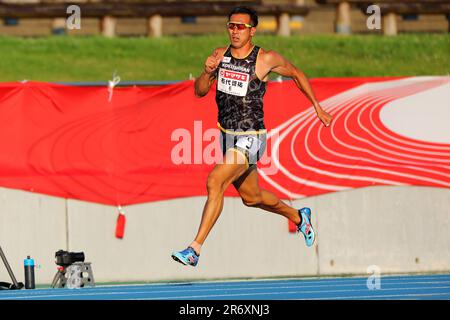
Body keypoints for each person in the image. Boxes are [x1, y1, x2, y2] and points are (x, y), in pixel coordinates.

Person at [171, 6, 332, 267]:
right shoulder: (219, 54)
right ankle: (299, 216)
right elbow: (199, 92)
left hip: (252, 137)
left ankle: (195, 248)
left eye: (240, 27)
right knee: (252, 198)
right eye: (231, 26)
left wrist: (317, 106)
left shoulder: (265, 59)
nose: (234, 31)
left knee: (215, 181)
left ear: (252, 30)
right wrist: (206, 72)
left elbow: (298, 74)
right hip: (226, 137)